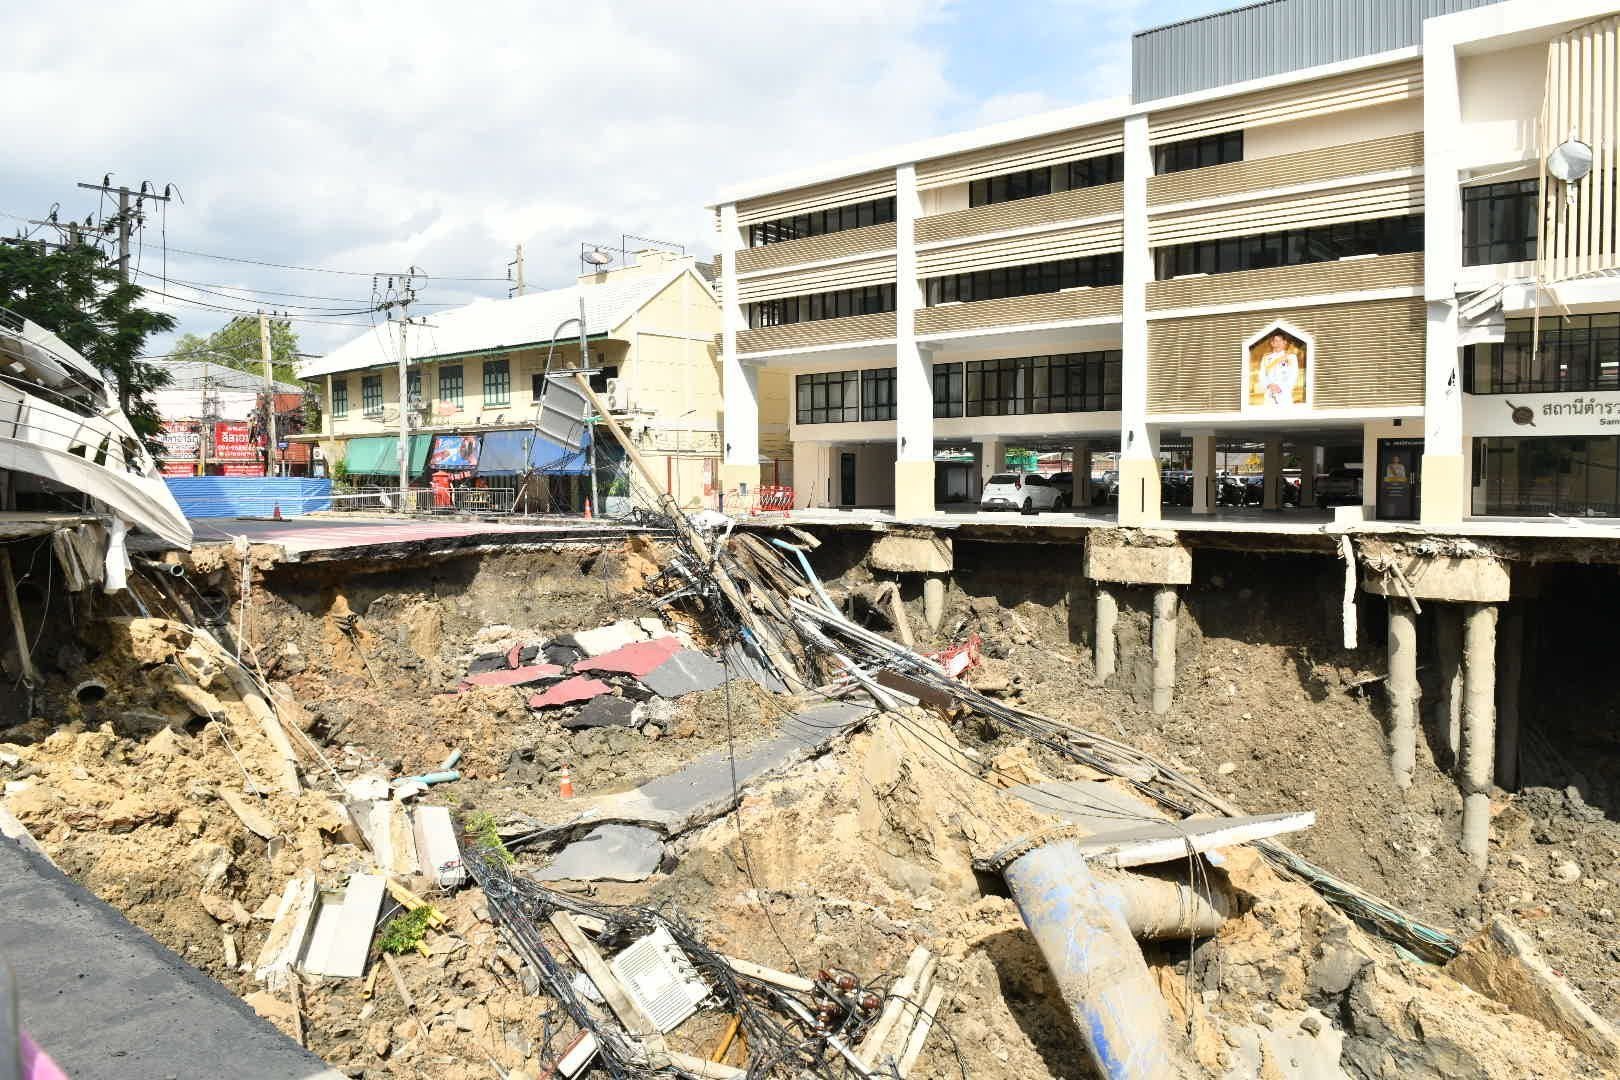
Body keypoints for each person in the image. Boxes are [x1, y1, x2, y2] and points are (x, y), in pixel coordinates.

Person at [1257, 332, 1301, 407]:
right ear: (1272, 343)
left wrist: (1281, 388)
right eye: (1276, 341)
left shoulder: (1291, 357)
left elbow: (1294, 375)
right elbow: (1262, 374)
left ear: (1285, 342)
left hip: (1284, 394)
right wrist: (1269, 385)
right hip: (1269, 393)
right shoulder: (1266, 358)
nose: (1278, 343)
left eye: (1280, 341)